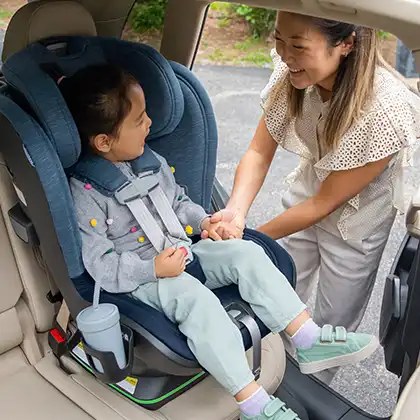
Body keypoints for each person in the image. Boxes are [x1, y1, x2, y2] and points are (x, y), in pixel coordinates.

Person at [61, 63, 378, 420]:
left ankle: (306, 338)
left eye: (147, 113)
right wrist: (154, 268)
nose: (150, 123)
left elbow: (177, 202)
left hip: (182, 251)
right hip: (143, 279)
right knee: (195, 299)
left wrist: (206, 221)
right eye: (139, 120)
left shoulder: (148, 162)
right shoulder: (85, 194)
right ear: (104, 142)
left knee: (246, 254)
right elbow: (101, 265)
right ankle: (254, 402)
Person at [205, 12, 420, 383]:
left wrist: (250, 240)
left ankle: (305, 398)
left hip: (358, 224)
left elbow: (325, 204)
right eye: (279, 40)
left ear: (346, 45)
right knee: (271, 293)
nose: (286, 55)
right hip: (309, 189)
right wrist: (235, 215)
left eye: (299, 46)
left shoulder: (386, 109)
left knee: (328, 333)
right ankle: (263, 386)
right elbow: (258, 152)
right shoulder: (292, 74)